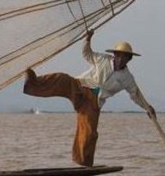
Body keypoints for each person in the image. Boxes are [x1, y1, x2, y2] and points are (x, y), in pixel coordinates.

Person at [23, 29, 156, 167]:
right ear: (114, 55)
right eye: (119, 55)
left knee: (89, 132)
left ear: (129, 59)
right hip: (81, 86)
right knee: (61, 79)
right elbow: (87, 54)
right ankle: (32, 82)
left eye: (125, 57)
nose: (121, 59)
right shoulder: (103, 59)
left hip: (94, 101)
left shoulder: (127, 78)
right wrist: (87, 39)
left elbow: (136, 95)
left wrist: (147, 107)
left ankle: (83, 163)